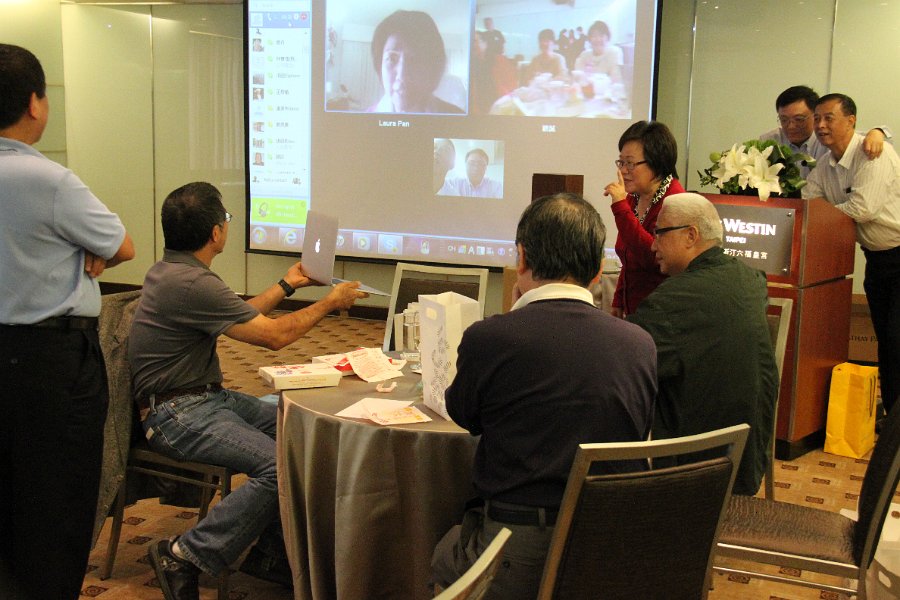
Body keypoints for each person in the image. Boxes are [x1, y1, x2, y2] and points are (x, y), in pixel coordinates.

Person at [129, 182, 366, 600]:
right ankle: (184, 554)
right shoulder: (192, 283)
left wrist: (287, 284)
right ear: (216, 232)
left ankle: (271, 555)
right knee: (277, 466)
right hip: (176, 414)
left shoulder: (175, 272)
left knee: (300, 427)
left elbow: (241, 317)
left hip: (202, 399)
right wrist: (330, 303)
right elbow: (273, 337)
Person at [431, 193, 657, 600]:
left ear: (521, 258)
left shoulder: (491, 337)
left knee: (436, 549)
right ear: (598, 270)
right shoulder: (640, 345)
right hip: (609, 553)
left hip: (513, 554)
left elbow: (464, 415)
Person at [0, 44, 135, 600]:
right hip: (49, 363)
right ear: (36, 103)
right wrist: (86, 252)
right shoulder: (48, 180)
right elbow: (122, 247)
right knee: (56, 497)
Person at [627, 193, 778, 496]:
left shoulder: (672, 301)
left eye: (659, 233)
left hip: (693, 476)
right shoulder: (751, 280)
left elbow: (626, 366)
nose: (653, 245)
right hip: (747, 458)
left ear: (691, 235)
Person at [802, 93, 900, 415]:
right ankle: (892, 418)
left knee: (896, 341)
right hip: (877, 259)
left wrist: (824, 218)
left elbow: (863, 209)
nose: (820, 125)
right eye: (817, 118)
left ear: (851, 121)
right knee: (886, 341)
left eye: (828, 118)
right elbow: (809, 205)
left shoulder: (874, 153)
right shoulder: (825, 165)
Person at [604, 120, 685, 317]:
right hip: (634, 310)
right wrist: (618, 300)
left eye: (630, 163)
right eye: (621, 162)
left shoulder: (675, 202)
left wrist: (620, 207)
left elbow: (653, 257)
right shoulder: (634, 198)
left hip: (662, 314)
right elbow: (628, 256)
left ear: (656, 162)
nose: (623, 170)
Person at [759, 85, 888, 179]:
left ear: (815, 115)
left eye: (799, 119)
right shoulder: (770, 141)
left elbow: (867, 141)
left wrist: (877, 132)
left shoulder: (826, 136)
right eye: (784, 120)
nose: (791, 126)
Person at [368, 10, 463, 114]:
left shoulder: (456, 116)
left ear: (432, 67)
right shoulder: (365, 119)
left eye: (415, 60)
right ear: (380, 66)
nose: (402, 75)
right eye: (391, 59)